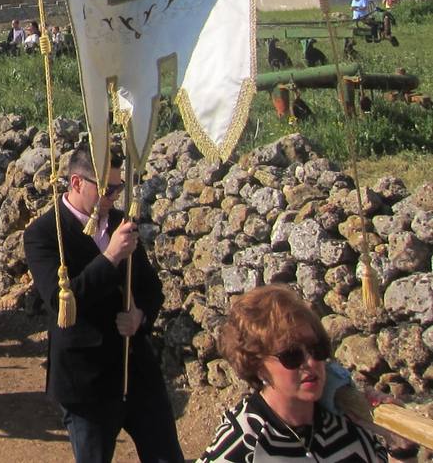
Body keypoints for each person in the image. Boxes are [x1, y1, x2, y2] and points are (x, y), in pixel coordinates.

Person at [23, 148, 184, 463]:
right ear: (76, 183)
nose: (113, 196)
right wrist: (110, 257)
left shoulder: (122, 222)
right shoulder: (43, 234)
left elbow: (151, 288)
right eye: (106, 188)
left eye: (118, 188)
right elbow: (62, 304)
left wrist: (140, 316)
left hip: (136, 369)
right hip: (86, 381)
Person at [197, 285, 397, 462]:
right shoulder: (244, 443)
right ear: (257, 366)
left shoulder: (344, 424)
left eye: (316, 349)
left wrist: (399, 444)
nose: (311, 362)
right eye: (291, 355)